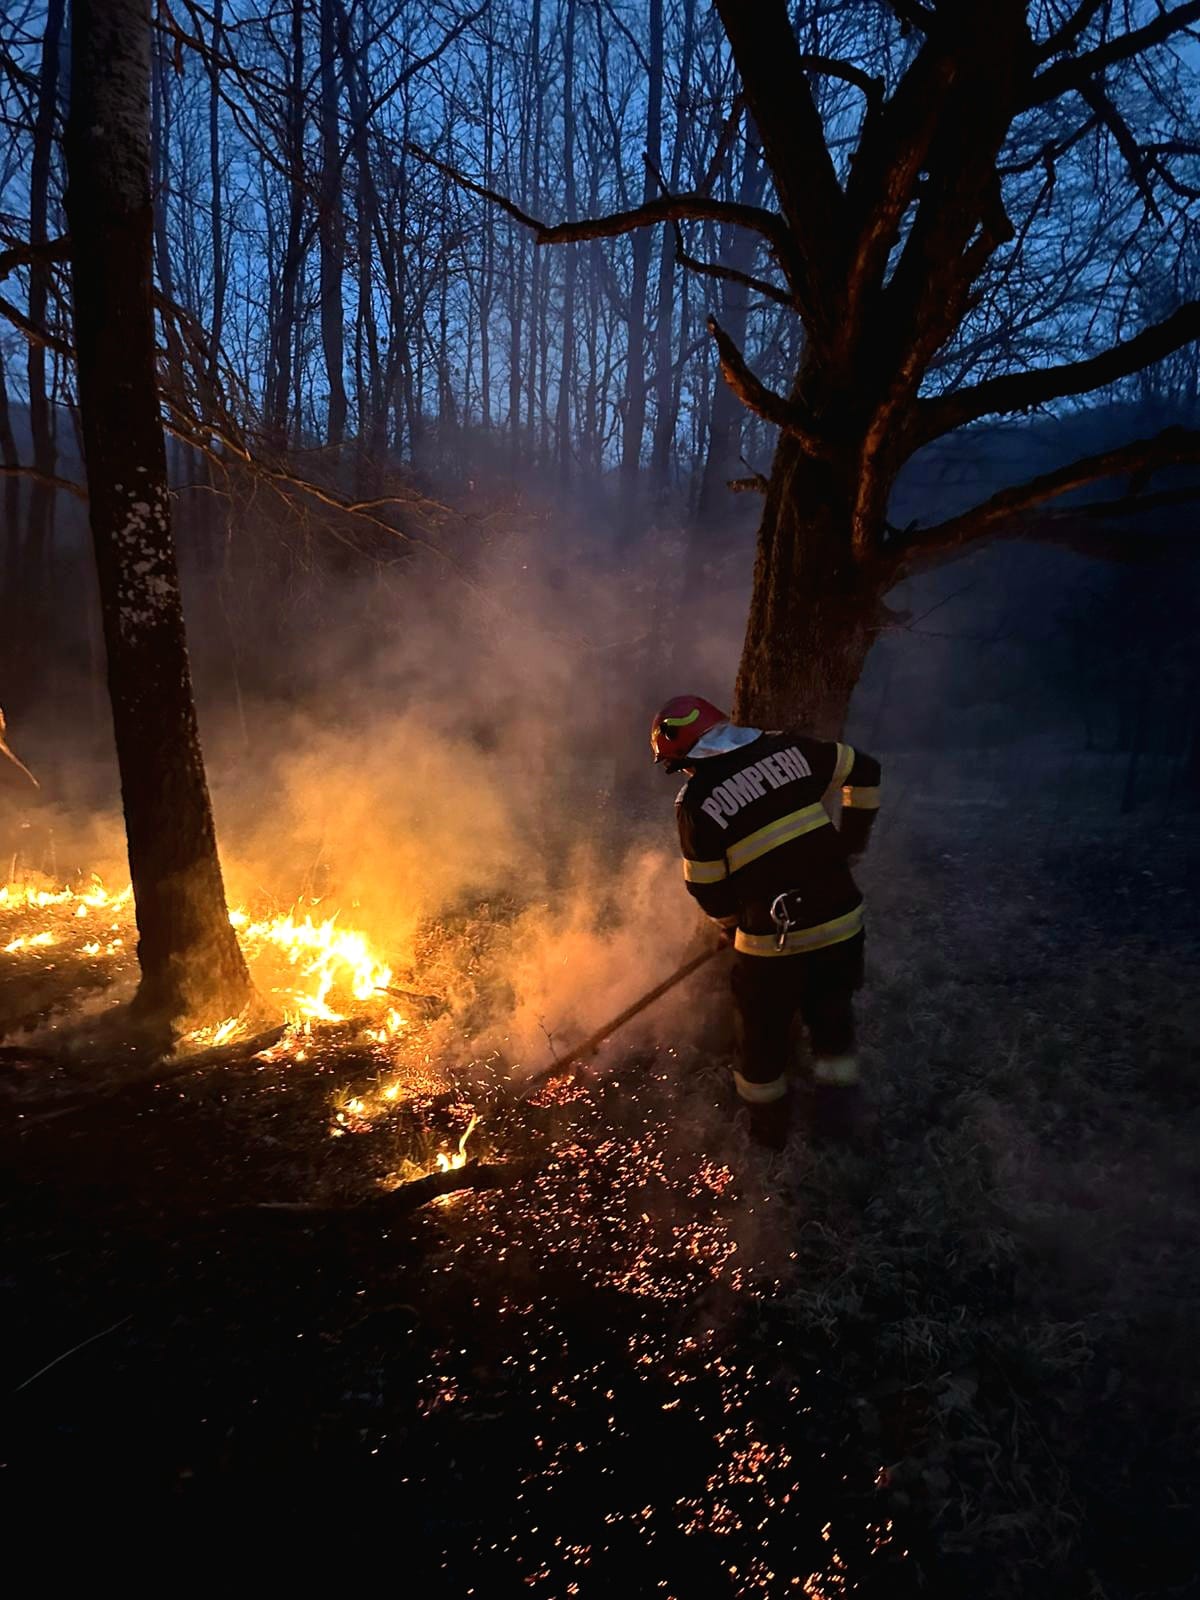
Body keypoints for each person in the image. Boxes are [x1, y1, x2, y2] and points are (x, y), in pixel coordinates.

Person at [651, 694, 881, 1148]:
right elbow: (866, 770)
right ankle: (839, 1122)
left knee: (761, 1046)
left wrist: (731, 922)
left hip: (771, 946)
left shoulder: (695, 803)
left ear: (688, 758)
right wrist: (849, 845)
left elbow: (707, 887)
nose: (685, 775)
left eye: (680, 766)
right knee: (833, 1020)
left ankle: (768, 1138)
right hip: (842, 925)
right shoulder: (790, 750)